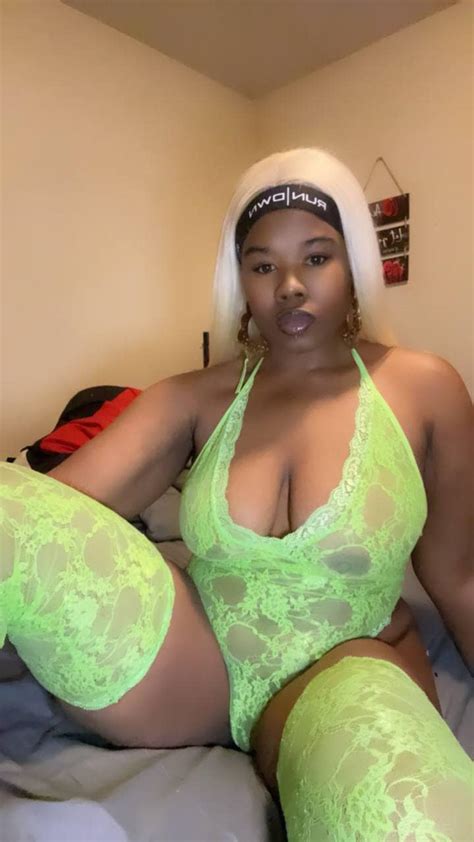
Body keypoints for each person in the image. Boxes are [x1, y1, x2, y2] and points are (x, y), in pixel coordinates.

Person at [1, 147, 472, 840]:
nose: (290, 286)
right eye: (263, 265)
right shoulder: (197, 396)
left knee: (405, 815)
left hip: (342, 670)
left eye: (316, 257)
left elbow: (458, 576)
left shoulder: (424, 386)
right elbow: (52, 511)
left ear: (354, 265)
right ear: (241, 278)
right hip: (191, 665)